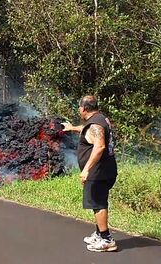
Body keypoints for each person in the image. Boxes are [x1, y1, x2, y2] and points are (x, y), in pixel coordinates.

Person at [62, 95, 118, 252]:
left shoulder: (95, 124)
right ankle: (99, 234)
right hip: (105, 169)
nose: (79, 109)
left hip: (98, 172)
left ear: (84, 108)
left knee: (98, 202)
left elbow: (99, 146)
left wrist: (86, 169)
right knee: (97, 201)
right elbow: (89, 131)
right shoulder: (99, 120)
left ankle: (107, 239)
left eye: (79, 107)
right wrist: (72, 128)